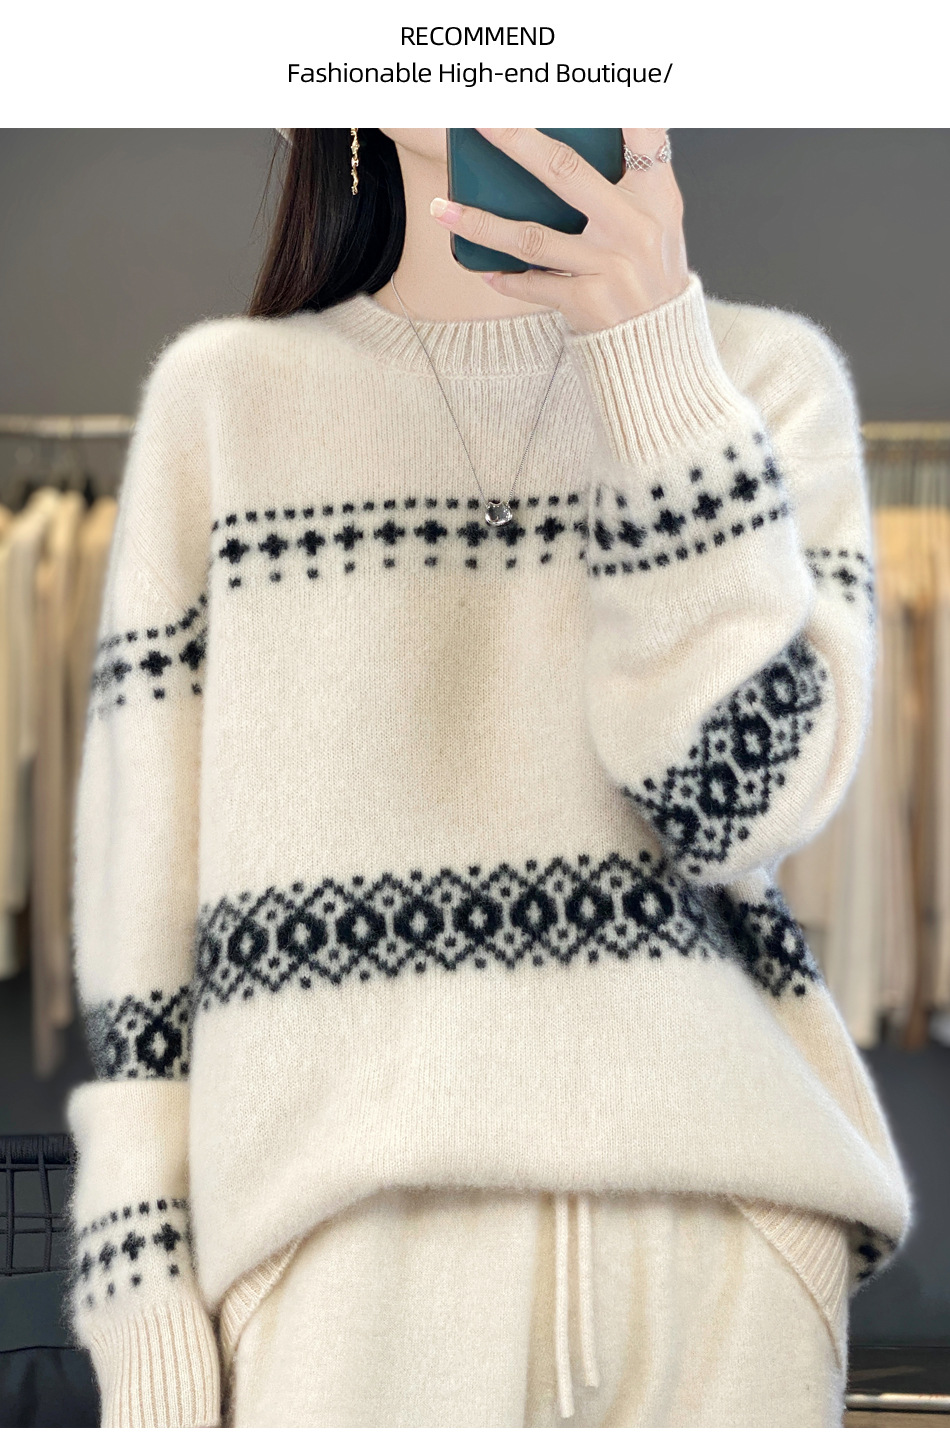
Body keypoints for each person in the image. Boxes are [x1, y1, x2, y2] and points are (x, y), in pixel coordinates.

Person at [63, 127, 913, 1429]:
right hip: (337, 1277)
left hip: (723, 1264)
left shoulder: (761, 385)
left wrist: (651, 363)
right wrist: (146, 1316)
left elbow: (732, 802)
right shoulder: (223, 402)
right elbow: (143, 921)